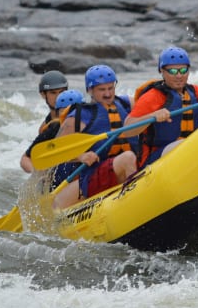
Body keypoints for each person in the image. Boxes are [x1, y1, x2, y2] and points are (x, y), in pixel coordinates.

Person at [52, 65, 138, 209]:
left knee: (132, 157)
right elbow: (56, 150)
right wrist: (81, 156)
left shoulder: (126, 103)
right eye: (102, 90)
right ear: (90, 90)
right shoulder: (80, 116)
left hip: (128, 166)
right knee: (128, 157)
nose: (108, 94)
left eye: (111, 88)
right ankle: (134, 204)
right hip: (96, 175)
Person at [19, 88, 84, 186]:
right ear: (59, 114)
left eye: (74, 113)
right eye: (66, 113)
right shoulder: (53, 129)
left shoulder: (93, 123)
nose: (71, 118)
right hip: (59, 179)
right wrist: (37, 174)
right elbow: (26, 158)